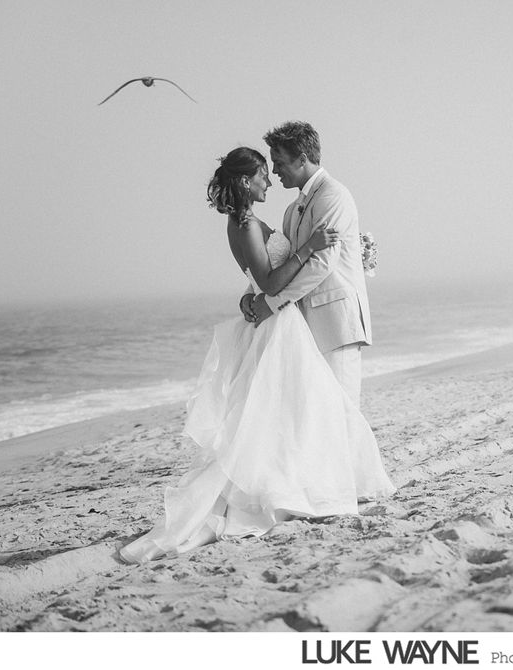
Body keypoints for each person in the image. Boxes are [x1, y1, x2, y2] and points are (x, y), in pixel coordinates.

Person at [118, 147, 395, 564]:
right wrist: (309, 249)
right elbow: (266, 280)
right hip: (278, 325)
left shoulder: (251, 220)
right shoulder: (246, 223)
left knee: (290, 413)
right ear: (247, 182)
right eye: (264, 174)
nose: (270, 180)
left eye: (273, 170)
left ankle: (305, 483)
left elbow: (257, 279)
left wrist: (252, 295)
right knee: (286, 412)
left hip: (285, 321)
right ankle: (288, 492)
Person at [244, 122, 371, 407]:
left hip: (336, 324)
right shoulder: (292, 209)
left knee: (341, 414)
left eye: (278, 162)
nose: (274, 171)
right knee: (315, 418)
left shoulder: (333, 196)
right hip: (303, 329)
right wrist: (250, 294)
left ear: (302, 158)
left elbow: (321, 263)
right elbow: (282, 261)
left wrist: (274, 303)